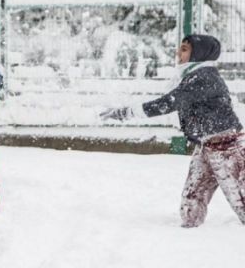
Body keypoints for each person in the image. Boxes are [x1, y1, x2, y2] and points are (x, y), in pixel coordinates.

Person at [100, 34, 245, 227]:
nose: (178, 53)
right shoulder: (191, 76)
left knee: (240, 196)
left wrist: (126, 112)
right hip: (205, 145)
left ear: (199, 54)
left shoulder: (205, 77)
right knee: (193, 194)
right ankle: (187, 232)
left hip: (226, 147)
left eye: (185, 49)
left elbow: (168, 103)